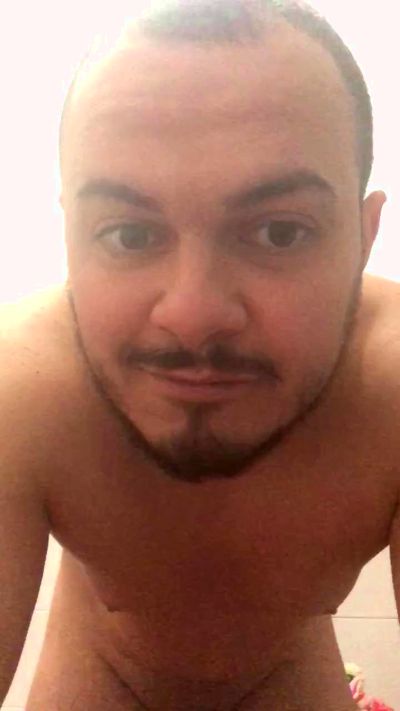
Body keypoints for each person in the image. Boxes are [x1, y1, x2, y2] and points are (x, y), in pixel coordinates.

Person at [0, 0, 397, 708]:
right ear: (70, 237)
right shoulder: (20, 388)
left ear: (364, 238)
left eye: (279, 232)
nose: (192, 315)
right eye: (129, 234)